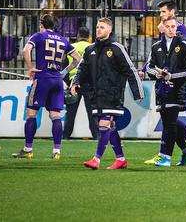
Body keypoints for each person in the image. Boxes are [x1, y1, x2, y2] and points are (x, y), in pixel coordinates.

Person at [72, 18, 144, 170]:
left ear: (110, 30)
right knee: (110, 126)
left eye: (102, 27)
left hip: (113, 94)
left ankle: (96, 159)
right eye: (97, 27)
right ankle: (121, 159)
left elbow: (130, 70)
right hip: (96, 95)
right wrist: (75, 82)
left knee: (103, 124)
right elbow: (82, 68)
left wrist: (138, 91)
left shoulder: (117, 48)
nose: (98, 29)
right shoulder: (90, 49)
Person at [143, 0, 186, 166]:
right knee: (168, 120)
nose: (160, 15)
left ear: (172, 14)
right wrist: (154, 72)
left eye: (163, 12)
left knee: (169, 120)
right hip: (162, 86)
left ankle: (165, 155)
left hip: (176, 85)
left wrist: (172, 76)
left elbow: (184, 64)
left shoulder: (181, 36)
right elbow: (155, 60)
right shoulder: (159, 43)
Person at [12, 14, 81, 160]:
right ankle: (57, 151)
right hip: (57, 80)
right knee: (56, 116)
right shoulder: (63, 39)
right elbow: (78, 59)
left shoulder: (39, 36)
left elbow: (26, 50)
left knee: (31, 114)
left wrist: (30, 67)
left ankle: (28, 149)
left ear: (42, 25)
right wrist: (64, 72)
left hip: (42, 78)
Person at [62, 26, 97, 140]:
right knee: (92, 113)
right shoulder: (93, 47)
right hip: (89, 84)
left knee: (70, 113)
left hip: (74, 84)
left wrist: (67, 83)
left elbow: (65, 66)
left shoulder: (72, 47)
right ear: (89, 37)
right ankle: (96, 136)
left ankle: (65, 136)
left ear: (78, 35)